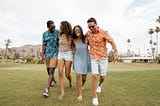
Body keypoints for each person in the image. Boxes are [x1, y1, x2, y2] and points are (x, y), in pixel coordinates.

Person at [85, 17, 118, 105]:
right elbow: (80, 37)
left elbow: (112, 42)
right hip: (93, 57)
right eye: (89, 27)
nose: (91, 28)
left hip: (103, 57)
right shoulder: (88, 33)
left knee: (102, 77)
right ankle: (95, 97)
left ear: (96, 24)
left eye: (92, 26)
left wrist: (115, 51)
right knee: (95, 76)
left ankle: (100, 85)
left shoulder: (103, 32)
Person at [72, 25, 91, 101]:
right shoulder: (73, 40)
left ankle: (82, 85)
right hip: (77, 59)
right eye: (76, 30)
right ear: (74, 32)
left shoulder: (86, 39)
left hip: (85, 58)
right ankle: (80, 94)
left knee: (84, 77)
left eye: (78, 30)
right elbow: (73, 50)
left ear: (81, 31)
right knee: (78, 75)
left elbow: (93, 45)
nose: (77, 32)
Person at [41, 20, 59, 97]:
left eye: (54, 26)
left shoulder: (58, 31)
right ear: (48, 27)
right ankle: (54, 81)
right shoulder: (44, 34)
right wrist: (42, 54)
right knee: (49, 71)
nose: (54, 28)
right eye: (52, 27)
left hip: (55, 54)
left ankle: (47, 90)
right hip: (47, 54)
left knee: (51, 71)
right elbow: (44, 44)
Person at [58, 21, 73, 100]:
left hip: (68, 54)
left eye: (60, 25)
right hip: (60, 54)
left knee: (67, 74)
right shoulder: (59, 34)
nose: (59, 27)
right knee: (60, 72)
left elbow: (74, 44)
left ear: (64, 26)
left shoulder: (71, 35)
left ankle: (70, 81)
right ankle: (62, 92)